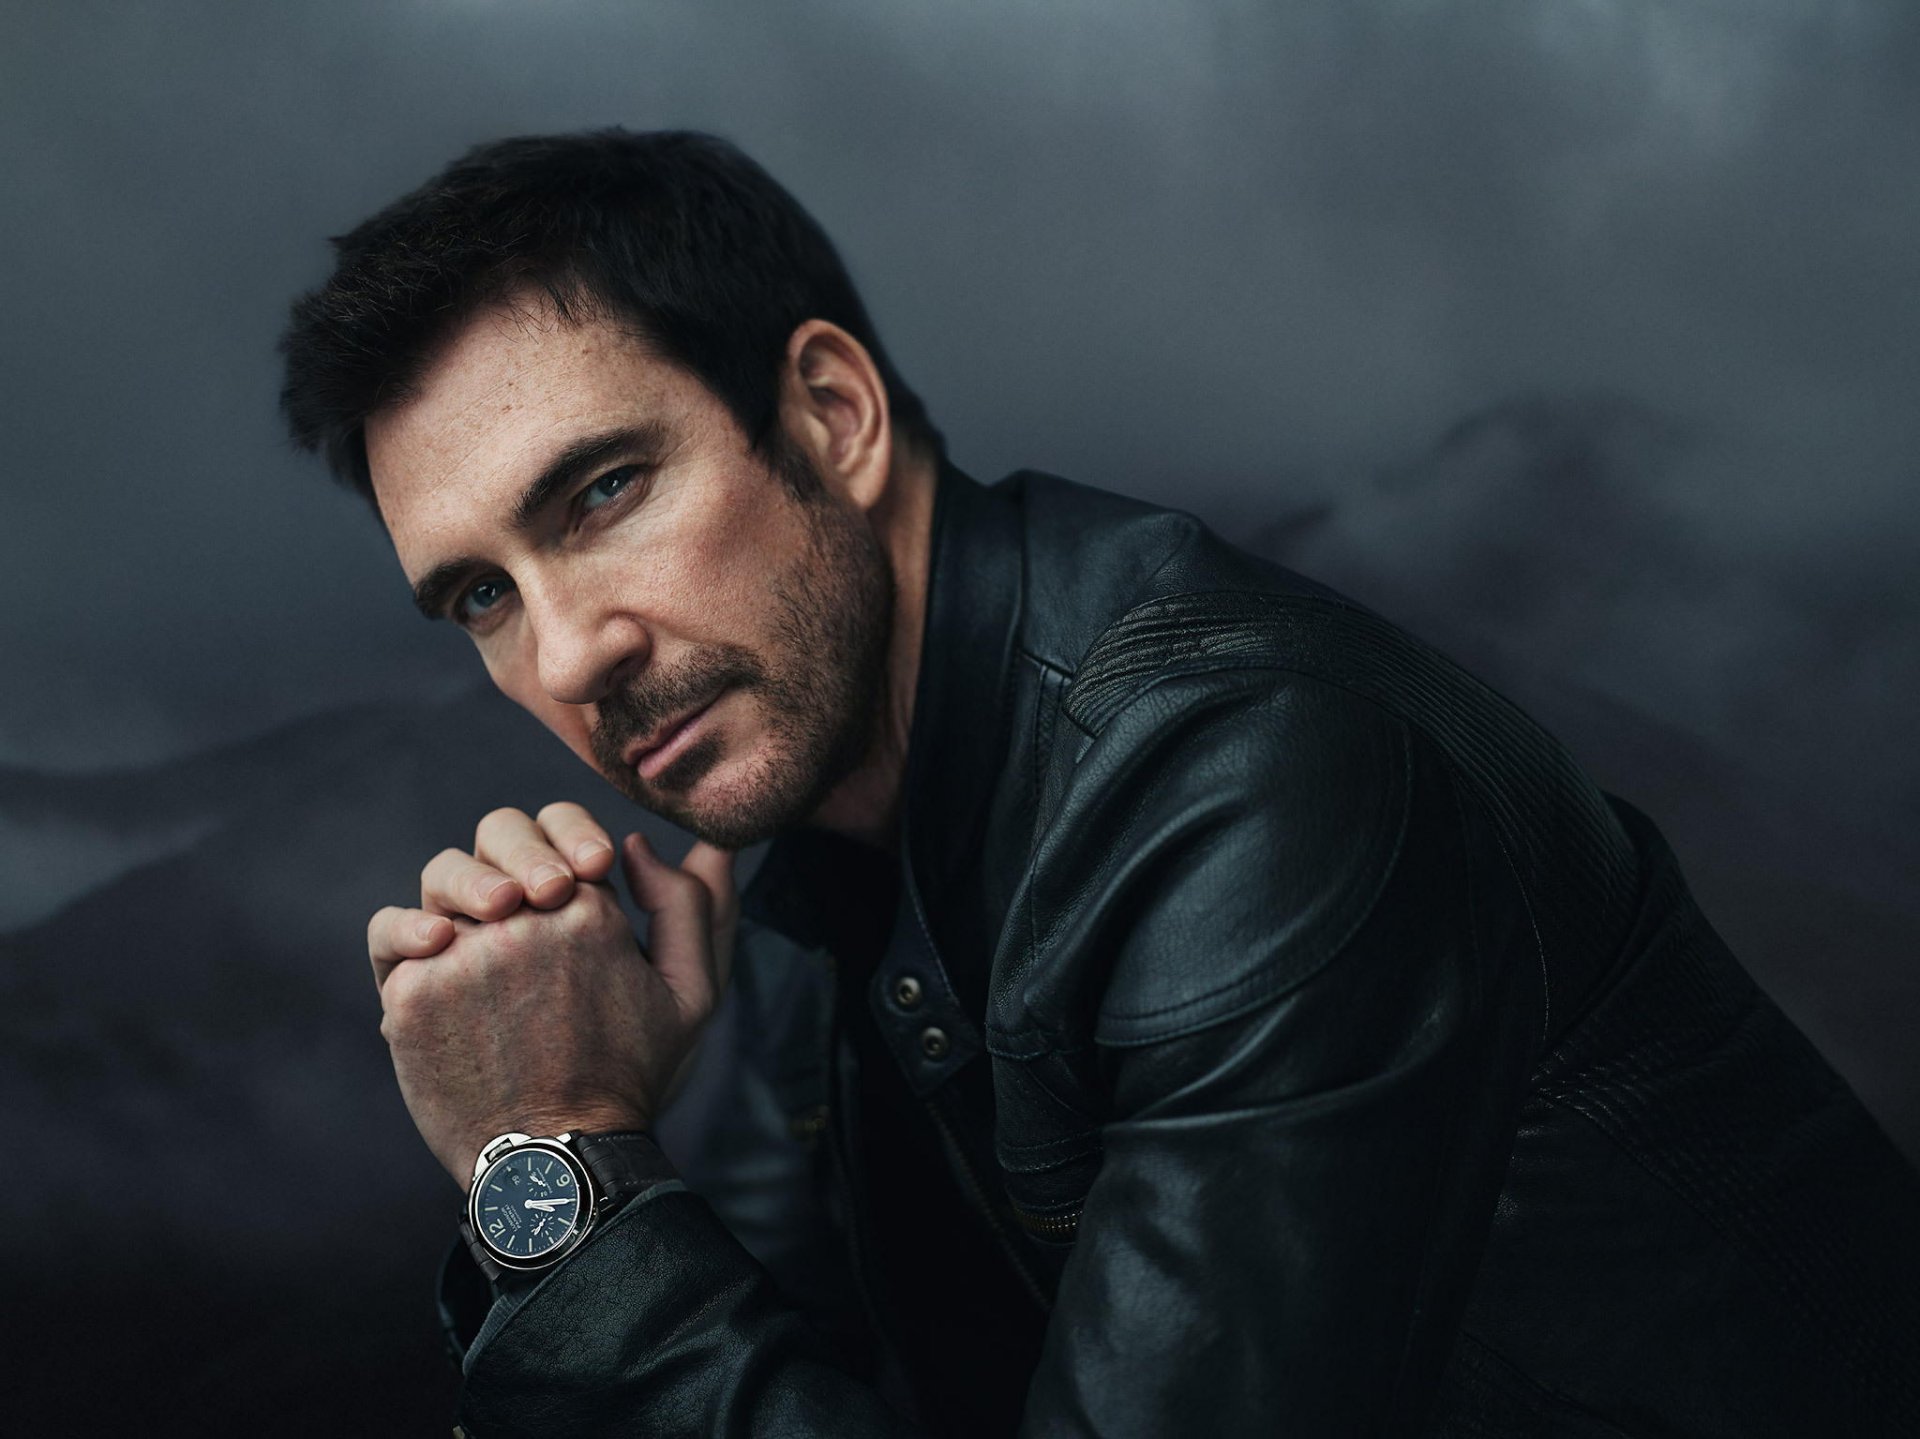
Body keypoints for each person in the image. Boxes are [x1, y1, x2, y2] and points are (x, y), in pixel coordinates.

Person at [278, 130, 1920, 1437]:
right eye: (480, 596)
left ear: (832, 416)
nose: (567, 655)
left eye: (604, 491)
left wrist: (558, 1165)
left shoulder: (1248, 773)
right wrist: (594, 1152)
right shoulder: (806, 892)